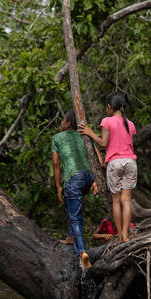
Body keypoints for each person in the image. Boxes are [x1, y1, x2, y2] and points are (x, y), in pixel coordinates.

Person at [78, 92, 137, 243]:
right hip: (130, 161)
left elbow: (104, 143)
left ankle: (120, 237)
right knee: (127, 200)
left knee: (116, 201)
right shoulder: (130, 123)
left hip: (115, 163)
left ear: (109, 107)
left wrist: (90, 133)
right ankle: (126, 234)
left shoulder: (107, 121)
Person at [52, 109, 98, 269]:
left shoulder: (57, 138)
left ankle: (83, 253)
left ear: (68, 123)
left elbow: (56, 164)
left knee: (75, 217)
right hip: (88, 177)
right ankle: (71, 236)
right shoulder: (82, 135)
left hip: (74, 179)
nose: (61, 123)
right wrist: (96, 180)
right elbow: (96, 156)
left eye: (63, 120)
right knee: (72, 206)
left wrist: (58, 186)